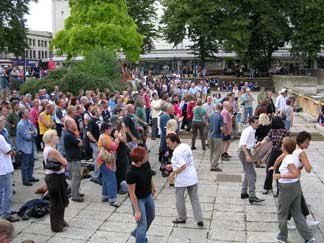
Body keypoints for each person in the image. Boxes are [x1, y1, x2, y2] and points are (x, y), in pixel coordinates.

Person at [273, 137, 315, 243]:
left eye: (282, 145)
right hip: (295, 186)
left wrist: (280, 175)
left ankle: (282, 237)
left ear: (285, 147)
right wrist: (273, 168)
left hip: (287, 188)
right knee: (297, 213)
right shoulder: (291, 156)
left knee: (282, 213)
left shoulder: (288, 159)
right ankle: (309, 238)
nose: (281, 146)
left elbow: (295, 174)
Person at [166, 133, 204, 227]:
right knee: (194, 198)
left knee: (179, 199)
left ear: (174, 142)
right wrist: (172, 165)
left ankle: (182, 218)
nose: (167, 145)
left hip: (182, 178)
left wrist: (173, 173)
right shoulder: (185, 146)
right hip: (192, 176)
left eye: (169, 143)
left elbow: (183, 165)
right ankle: (199, 218)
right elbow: (186, 161)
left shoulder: (176, 152)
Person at [126, 147, 156, 243]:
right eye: (145, 156)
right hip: (138, 199)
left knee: (151, 216)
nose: (147, 156)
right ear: (139, 160)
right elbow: (132, 193)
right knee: (142, 226)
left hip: (148, 195)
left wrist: (153, 187)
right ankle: (141, 237)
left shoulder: (145, 164)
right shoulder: (131, 173)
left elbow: (149, 175)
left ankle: (137, 233)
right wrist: (137, 211)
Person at [43, 129, 69, 232]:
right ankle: (56, 226)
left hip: (55, 176)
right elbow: (64, 162)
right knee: (56, 202)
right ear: (51, 138)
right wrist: (62, 162)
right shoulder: (52, 150)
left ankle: (61, 221)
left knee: (60, 200)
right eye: (56, 136)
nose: (57, 137)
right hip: (55, 178)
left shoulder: (48, 148)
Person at [261, 116, 290, 195]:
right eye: (276, 128)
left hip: (282, 153)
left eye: (278, 128)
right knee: (269, 169)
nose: (277, 130)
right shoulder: (272, 131)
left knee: (278, 170)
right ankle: (267, 187)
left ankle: (279, 190)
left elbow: (288, 143)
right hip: (274, 151)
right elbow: (268, 138)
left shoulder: (286, 132)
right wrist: (262, 142)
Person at [238, 116, 264, 204]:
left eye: (258, 122)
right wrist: (247, 155)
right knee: (252, 174)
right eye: (256, 122)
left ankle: (244, 192)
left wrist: (257, 145)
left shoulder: (252, 131)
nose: (258, 124)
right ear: (251, 123)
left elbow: (250, 144)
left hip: (247, 151)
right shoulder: (248, 131)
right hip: (244, 152)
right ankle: (252, 195)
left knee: (247, 172)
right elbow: (243, 144)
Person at [0, 116, 19, 223]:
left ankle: (3, 209)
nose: (4, 124)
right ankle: (6, 214)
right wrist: (12, 151)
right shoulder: (0, 137)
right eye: (2, 123)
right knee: (6, 191)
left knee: (1, 191)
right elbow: (8, 151)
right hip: (3, 167)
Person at [97, 122, 120, 207]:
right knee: (112, 179)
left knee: (106, 179)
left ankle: (105, 196)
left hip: (102, 161)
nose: (111, 130)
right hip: (106, 161)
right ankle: (112, 199)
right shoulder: (105, 137)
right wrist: (117, 138)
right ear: (106, 129)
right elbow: (113, 147)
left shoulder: (103, 136)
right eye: (110, 128)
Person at [16, 110, 38, 186]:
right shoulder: (20, 124)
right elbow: (26, 136)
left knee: (31, 162)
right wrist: (31, 133)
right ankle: (25, 180)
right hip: (24, 147)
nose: (28, 113)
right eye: (26, 113)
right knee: (25, 164)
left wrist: (31, 132)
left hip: (31, 145)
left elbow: (35, 131)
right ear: (22, 115)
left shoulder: (29, 122)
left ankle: (30, 176)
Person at [64, 119, 84, 202]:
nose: (76, 124)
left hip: (75, 158)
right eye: (74, 123)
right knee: (75, 178)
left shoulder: (71, 134)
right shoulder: (69, 135)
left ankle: (76, 192)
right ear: (69, 125)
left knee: (77, 177)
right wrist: (79, 141)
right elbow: (80, 143)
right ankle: (75, 195)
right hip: (73, 159)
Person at [87, 106, 103, 185]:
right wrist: (95, 141)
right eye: (99, 110)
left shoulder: (99, 119)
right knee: (98, 160)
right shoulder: (91, 121)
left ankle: (99, 174)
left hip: (100, 142)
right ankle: (95, 177)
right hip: (95, 143)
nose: (101, 111)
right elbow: (88, 133)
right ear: (95, 112)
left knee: (100, 159)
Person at [208, 104, 224, 171]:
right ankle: (214, 166)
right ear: (221, 109)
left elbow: (209, 123)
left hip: (210, 135)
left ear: (216, 107)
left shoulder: (211, 115)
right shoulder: (220, 116)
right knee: (217, 151)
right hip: (217, 136)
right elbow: (221, 128)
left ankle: (212, 163)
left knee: (212, 150)